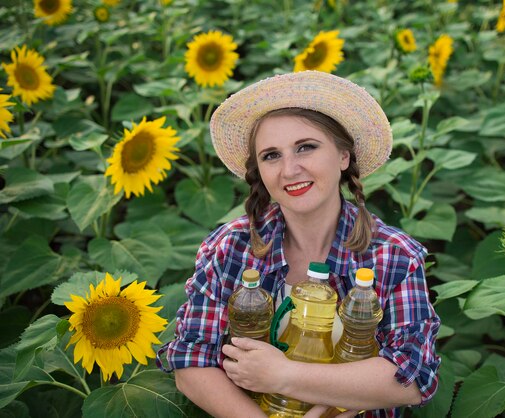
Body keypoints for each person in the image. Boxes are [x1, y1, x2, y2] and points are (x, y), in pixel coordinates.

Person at [157, 71, 441, 418]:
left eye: (306, 147)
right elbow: (191, 361)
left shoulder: (393, 255)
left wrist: (284, 376)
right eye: (271, 155)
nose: (290, 169)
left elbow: (412, 377)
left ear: (343, 156)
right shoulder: (229, 248)